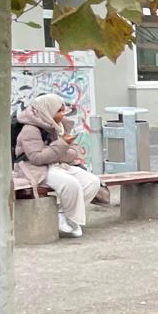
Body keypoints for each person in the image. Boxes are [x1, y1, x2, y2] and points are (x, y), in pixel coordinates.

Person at [13, 92, 104, 238]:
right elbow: (37, 158)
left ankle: (63, 214)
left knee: (92, 182)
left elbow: (74, 152)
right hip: (35, 169)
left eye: (63, 110)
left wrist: (61, 149)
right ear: (47, 110)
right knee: (70, 184)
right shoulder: (30, 129)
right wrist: (62, 146)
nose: (63, 114)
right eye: (59, 111)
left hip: (58, 164)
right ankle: (67, 217)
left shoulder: (59, 126)